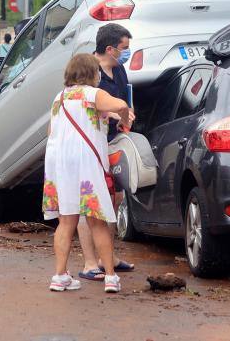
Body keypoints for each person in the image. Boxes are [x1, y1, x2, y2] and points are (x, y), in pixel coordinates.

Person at [43, 53, 131, 293]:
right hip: (87, 162)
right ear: (93, 73)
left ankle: (60, 275)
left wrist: (105, 114)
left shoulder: (59, 97)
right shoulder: (93, 93)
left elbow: (54, 130)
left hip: (60, 164)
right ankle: (110, 277)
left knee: (66, 220)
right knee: (97, 219)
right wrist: (123, 119)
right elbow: (121, 105)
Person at [77, 23, 137, 281]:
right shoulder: (88, 71)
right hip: (92, 143)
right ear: (110, 48)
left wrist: (128, 115)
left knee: (116, 198)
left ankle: (108, 256)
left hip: (115, 140)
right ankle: (90, 262)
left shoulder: (120, 69)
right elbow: (81, 103)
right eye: (124, 48)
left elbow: (126, 99)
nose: (127, 53)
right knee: (89, 205)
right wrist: (113, 113)